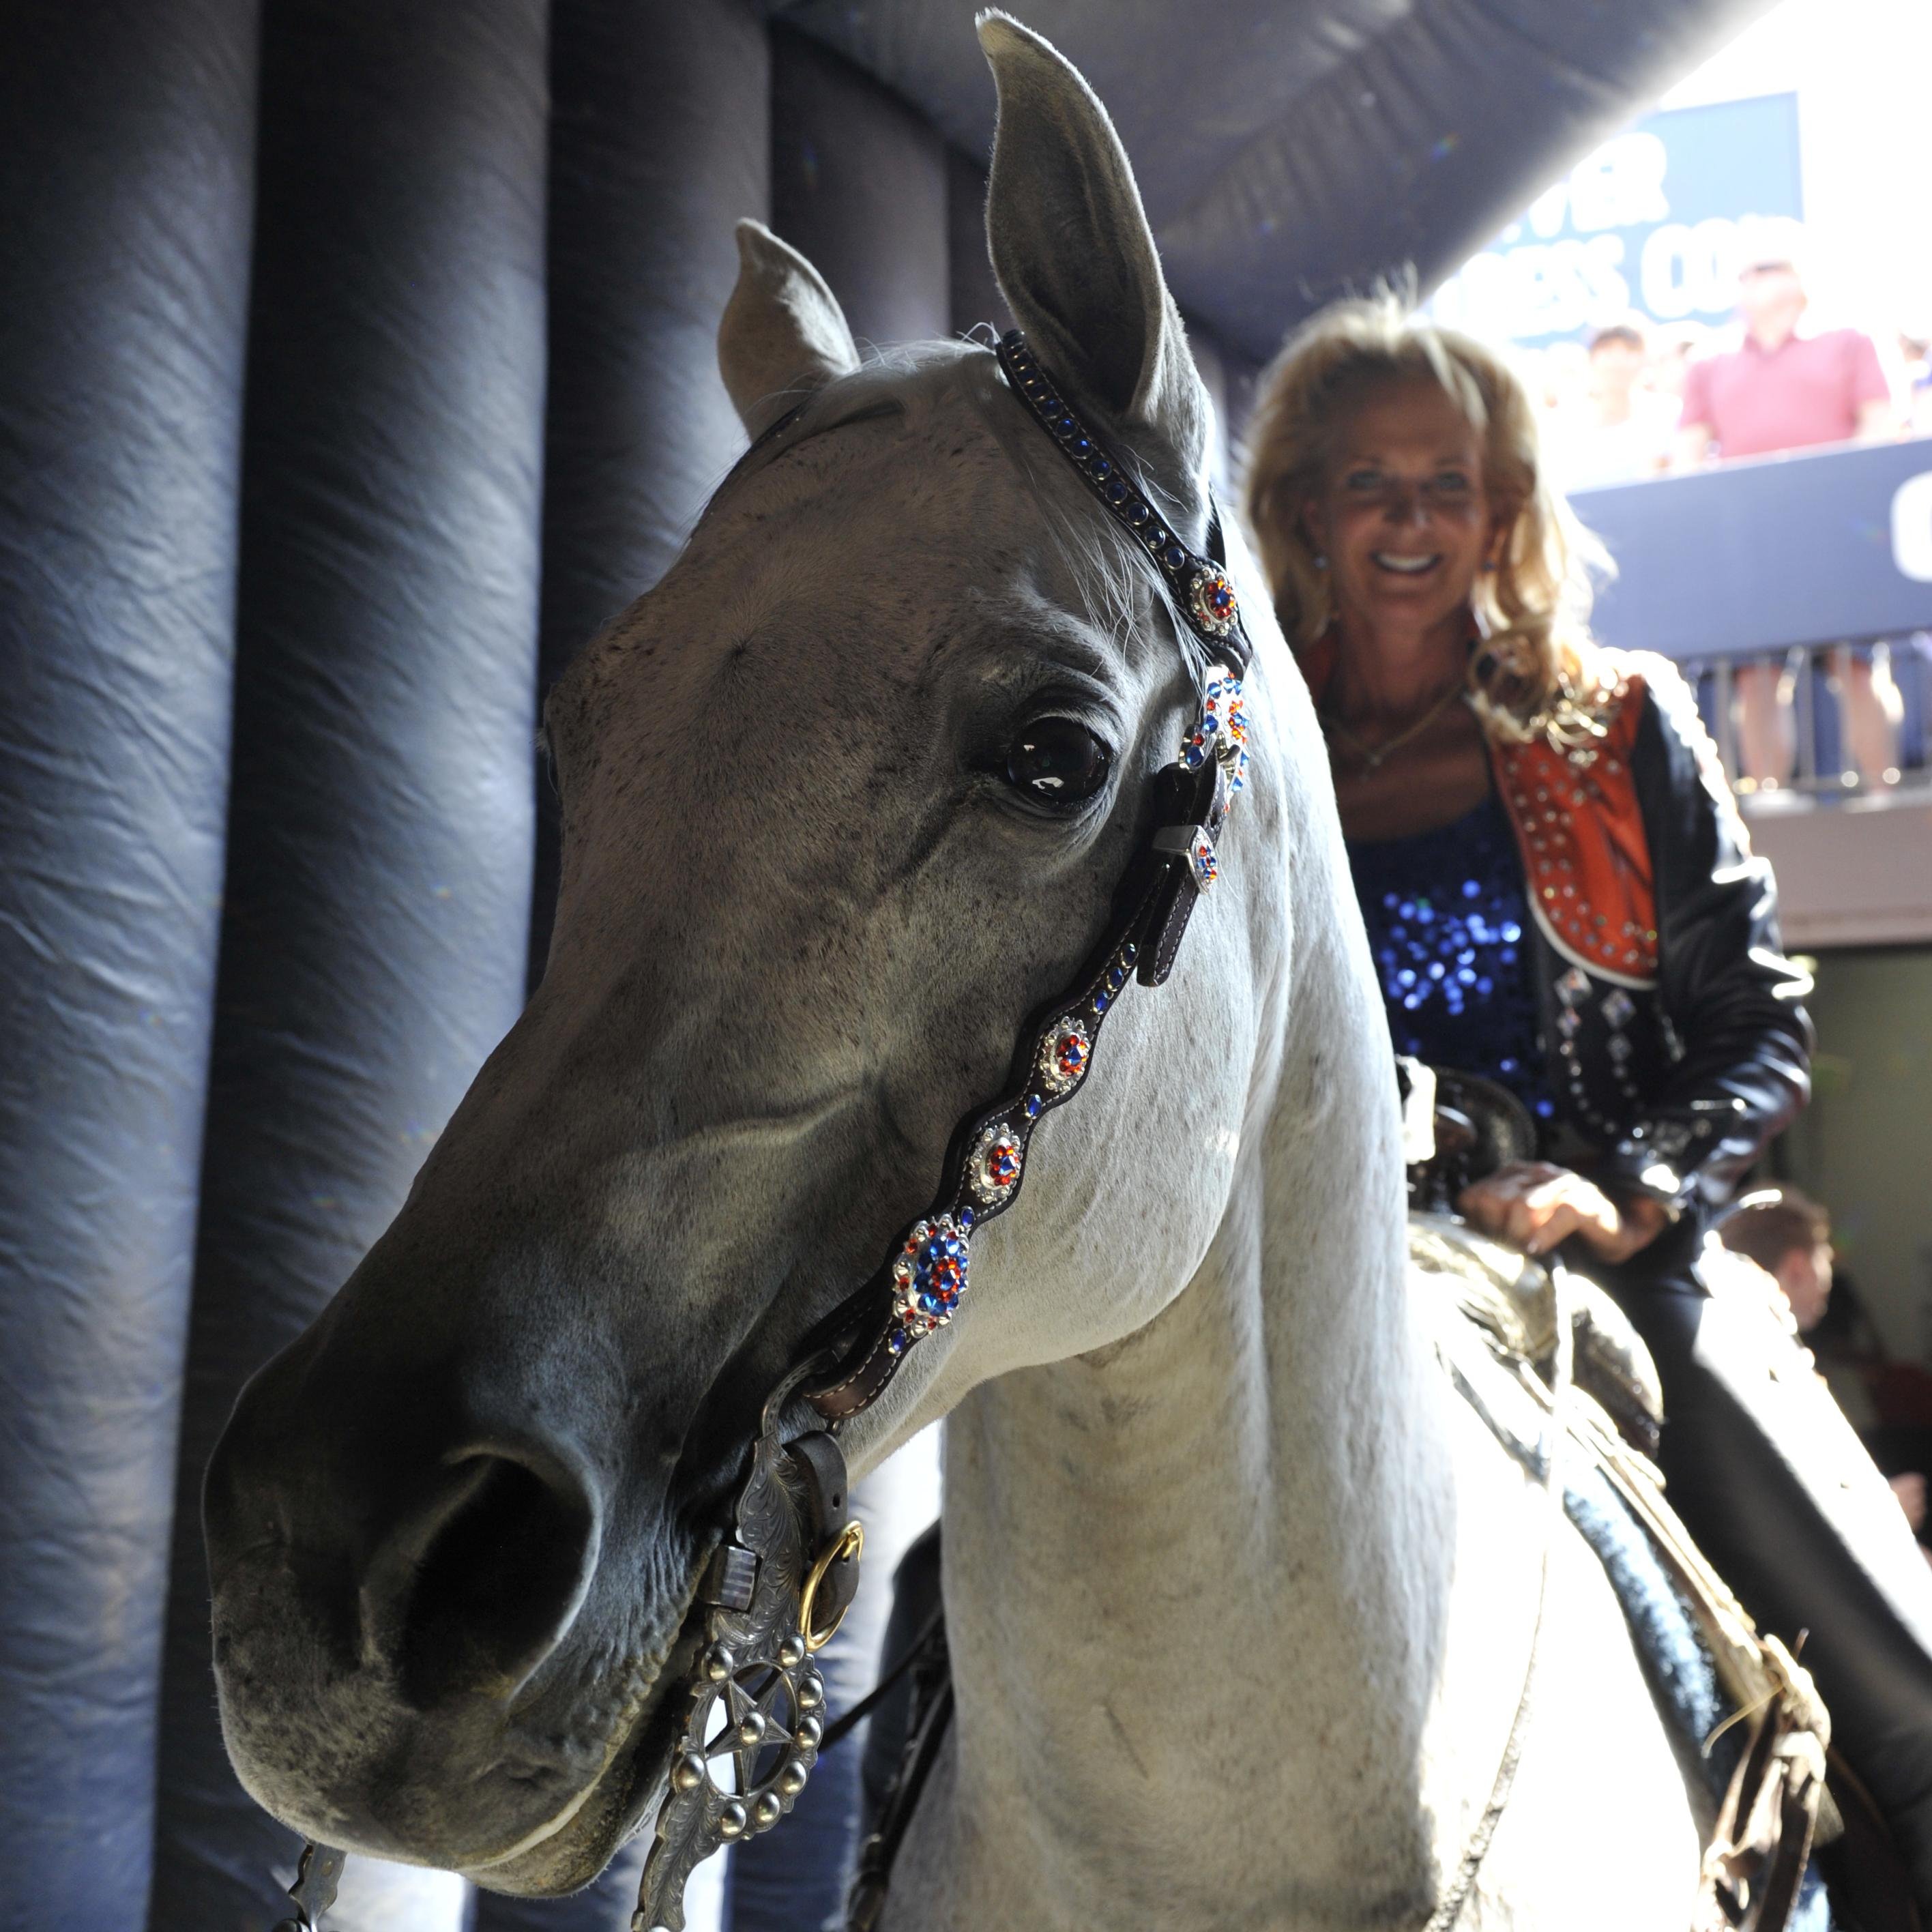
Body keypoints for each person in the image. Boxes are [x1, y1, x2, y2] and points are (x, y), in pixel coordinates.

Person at [1242, 295, 1932, 1909]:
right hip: (1291, 1251)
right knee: (957, 1582)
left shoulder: (1612, 722)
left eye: (1446, 482)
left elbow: (1756, 1022)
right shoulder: (1234, 739)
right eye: (1368, 481)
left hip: (1598, 1254)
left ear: (1500, 510)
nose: (1409, 519)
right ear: (1300, 507)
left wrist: (1617, 1185)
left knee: (1895, 1690)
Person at [1675, 252, 1904, 790]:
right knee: (1755, 680)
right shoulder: (1711, 362)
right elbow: (1688, 451)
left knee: (1858, 669)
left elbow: (1879, 424)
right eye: (1752, 272)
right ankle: (1771, 799)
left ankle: (1882, 789)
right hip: (1752, 546)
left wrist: (1834, 496)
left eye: (1775, 270)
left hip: (1840, 537)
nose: (1763, 281)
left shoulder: (1849, 341)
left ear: (1802, 286)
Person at [1551, 321, 1674, 492]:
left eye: (1630, 351)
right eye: (1607, 351)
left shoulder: (1667, 413)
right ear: (1592, 359)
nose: (1618, 362)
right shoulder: (1566, 425)